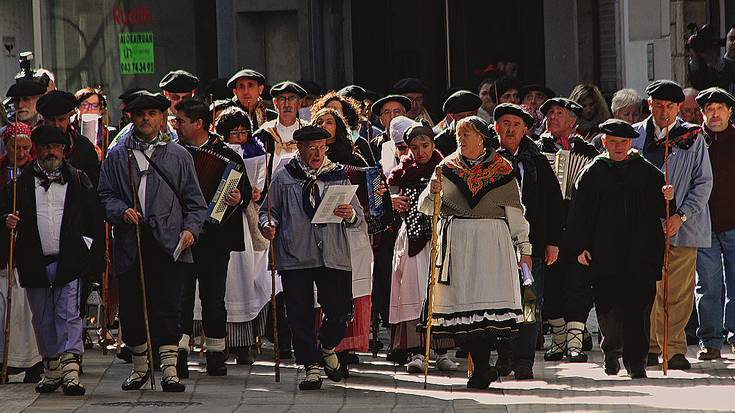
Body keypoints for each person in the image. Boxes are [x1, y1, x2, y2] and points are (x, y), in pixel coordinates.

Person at [97, 91, 208, 391]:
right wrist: (121, 211)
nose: (146, 118)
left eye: (152, 113)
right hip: (131, 240)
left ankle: (169, 369)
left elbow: (196, 204)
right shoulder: (117, 154)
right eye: (140, 114)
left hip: (169, 242)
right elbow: (104, 195)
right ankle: (140, 367)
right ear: (131, 118)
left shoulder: (179, 155)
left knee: (169, 306)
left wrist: (191, 230)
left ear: (162, 118)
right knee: (132, 308)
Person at [419, 116, 532, 389]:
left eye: (466, 133)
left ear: (481, 138)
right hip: (457, 245)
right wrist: (432, 192)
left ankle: (485, 367)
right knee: (463, 311)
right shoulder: (445, 167)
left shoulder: (502, 169)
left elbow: (515, 214)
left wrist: (524, 248)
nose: (461, 138)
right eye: (459, 134)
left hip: (492, 245)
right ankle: (483, 367)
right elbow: (426, 206)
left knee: (486, 312)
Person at [258, 125, 363, 390]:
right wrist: (267, 225)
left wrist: (349, 213)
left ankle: (327, 346)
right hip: (296, 254)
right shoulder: (284, 177)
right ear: (300, 149)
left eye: (321, 147)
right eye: (311, 148)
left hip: (333, 254)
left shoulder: (338, 175)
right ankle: (311, 366)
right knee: (299, 314)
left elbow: (358, 217)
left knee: (339, 310)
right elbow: (267, 211)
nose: (317, 153)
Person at [2, 125, 103, 395]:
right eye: (45, 146)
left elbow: (94, 220)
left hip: (70, 260)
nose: (50, 152)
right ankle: (51, 369)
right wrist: (7, 222)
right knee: (43, 318)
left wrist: (87, 248)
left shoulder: (79, 180)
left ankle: (71, 372)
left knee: (69, 314)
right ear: (36, 149)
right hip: (34, 261)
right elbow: (5, 216)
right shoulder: (19, 185)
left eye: (55, 146)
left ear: (64, 150)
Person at [570, 119, 675, 378]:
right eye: (613, 142)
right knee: (608, 310)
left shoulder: (647, 171)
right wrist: (581, 246)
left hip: (641, 252)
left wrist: (669, 197)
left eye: (624, 142)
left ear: (631, 143)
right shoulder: (592, 173)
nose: (619, 147)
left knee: (639, 310)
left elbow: (664, 210)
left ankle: (636, 361)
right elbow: (578, 214)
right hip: (604, 253)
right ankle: (611, 350)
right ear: (603, 142)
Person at [632, 79, 713, 370]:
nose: (663, 111)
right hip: (645, 229)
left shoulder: (692, 137)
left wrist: (681, 215)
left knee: (677, 291)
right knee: (650, 289)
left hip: (684, 227)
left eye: (669, 106)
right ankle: (652, 345)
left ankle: (674, 347)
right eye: (658, 105)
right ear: (649, 105)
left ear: (678, 107)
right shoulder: (635, 136)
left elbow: (704, 183)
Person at [174, 99, 251, 377]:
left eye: (181, 121)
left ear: (199, 123)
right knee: (181, 296)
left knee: (214, 296)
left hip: (215, 237)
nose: (176, 125)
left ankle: (216, 352)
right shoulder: (174, 152)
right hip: (183, 234)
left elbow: (243, 193)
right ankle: (179, 353)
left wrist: (237, 198)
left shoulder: (227, 156)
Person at [495, 104, 563, 380]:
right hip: (497, 245)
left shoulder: (536, 160)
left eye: (516, 124)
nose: (510, 129)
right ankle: (504, 356)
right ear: (497, 127)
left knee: (529, 302)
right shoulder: (489, 159)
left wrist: (552, 241)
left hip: (530, 246)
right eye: (505, 123)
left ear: (525, 130)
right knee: (499, 303)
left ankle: (524, 360)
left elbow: (552, 203)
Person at [386, 124, 457, 373]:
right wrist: (392, 201)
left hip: (440, 237)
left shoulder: (447, 168)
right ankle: (416, 350)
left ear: (434, 145)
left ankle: (441, 349)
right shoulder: (401, 172)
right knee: (414, 290)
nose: (420, 152)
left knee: (440, 291)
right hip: (411, 237)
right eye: (414, 147)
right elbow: (382, 197)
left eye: (425, 146)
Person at [209, 106, 273, 365]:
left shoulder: (257, 154)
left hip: (244, 225)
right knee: (222, 287)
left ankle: (245, 344)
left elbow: (259, 186)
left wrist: (251, 193)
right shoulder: (217, 153)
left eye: (243, 132)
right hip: (220, 224)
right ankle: (219, 343)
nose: (239, 137)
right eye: (233, 133)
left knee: (246, 281)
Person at [537, 97, 599, 363]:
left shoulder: (588, 153)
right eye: (549, 113)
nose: (552, 117)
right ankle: (558, 340)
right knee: (551, 285)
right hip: (549, 223)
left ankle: (575, 342)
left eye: (558, 113)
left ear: (573, 121)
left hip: (577, 225)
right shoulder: (538, 150)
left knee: (578, 282)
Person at [692, 87, 735, 360]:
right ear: (702, 114)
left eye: (720, 108)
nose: (715, 113)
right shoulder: (695, 141)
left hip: (734, 223)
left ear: (730, 111)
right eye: (709, 109)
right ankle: (710, 341)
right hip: (704, 225)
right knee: (707, 284)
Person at [0, 122, 43, 383]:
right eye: (16, 147)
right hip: (4, 252)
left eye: (26, 148)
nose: (22, 153)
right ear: (6, 146)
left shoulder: (37, 173)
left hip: (29, 251)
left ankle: (32, 362)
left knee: (27, 310)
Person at [36, 90, 101, 187]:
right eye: (51, 120)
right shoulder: (32, 144)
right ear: (44, 119)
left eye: (61, 119)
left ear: (69, 117)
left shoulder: (83, 146)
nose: (56, 125)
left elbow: (94, 185)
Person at [253, 81, 306, 170]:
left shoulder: (308, 132)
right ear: (275, 103)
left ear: (299, 103)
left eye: (292, 98)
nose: (287, 104)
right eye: (282, 99)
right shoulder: (263, 135)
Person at [433, 90, 482, 157]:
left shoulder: (485, 135)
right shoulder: (441, 141)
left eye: (470, 115)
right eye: (461, 116)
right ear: (452, 116)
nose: (466, 120)